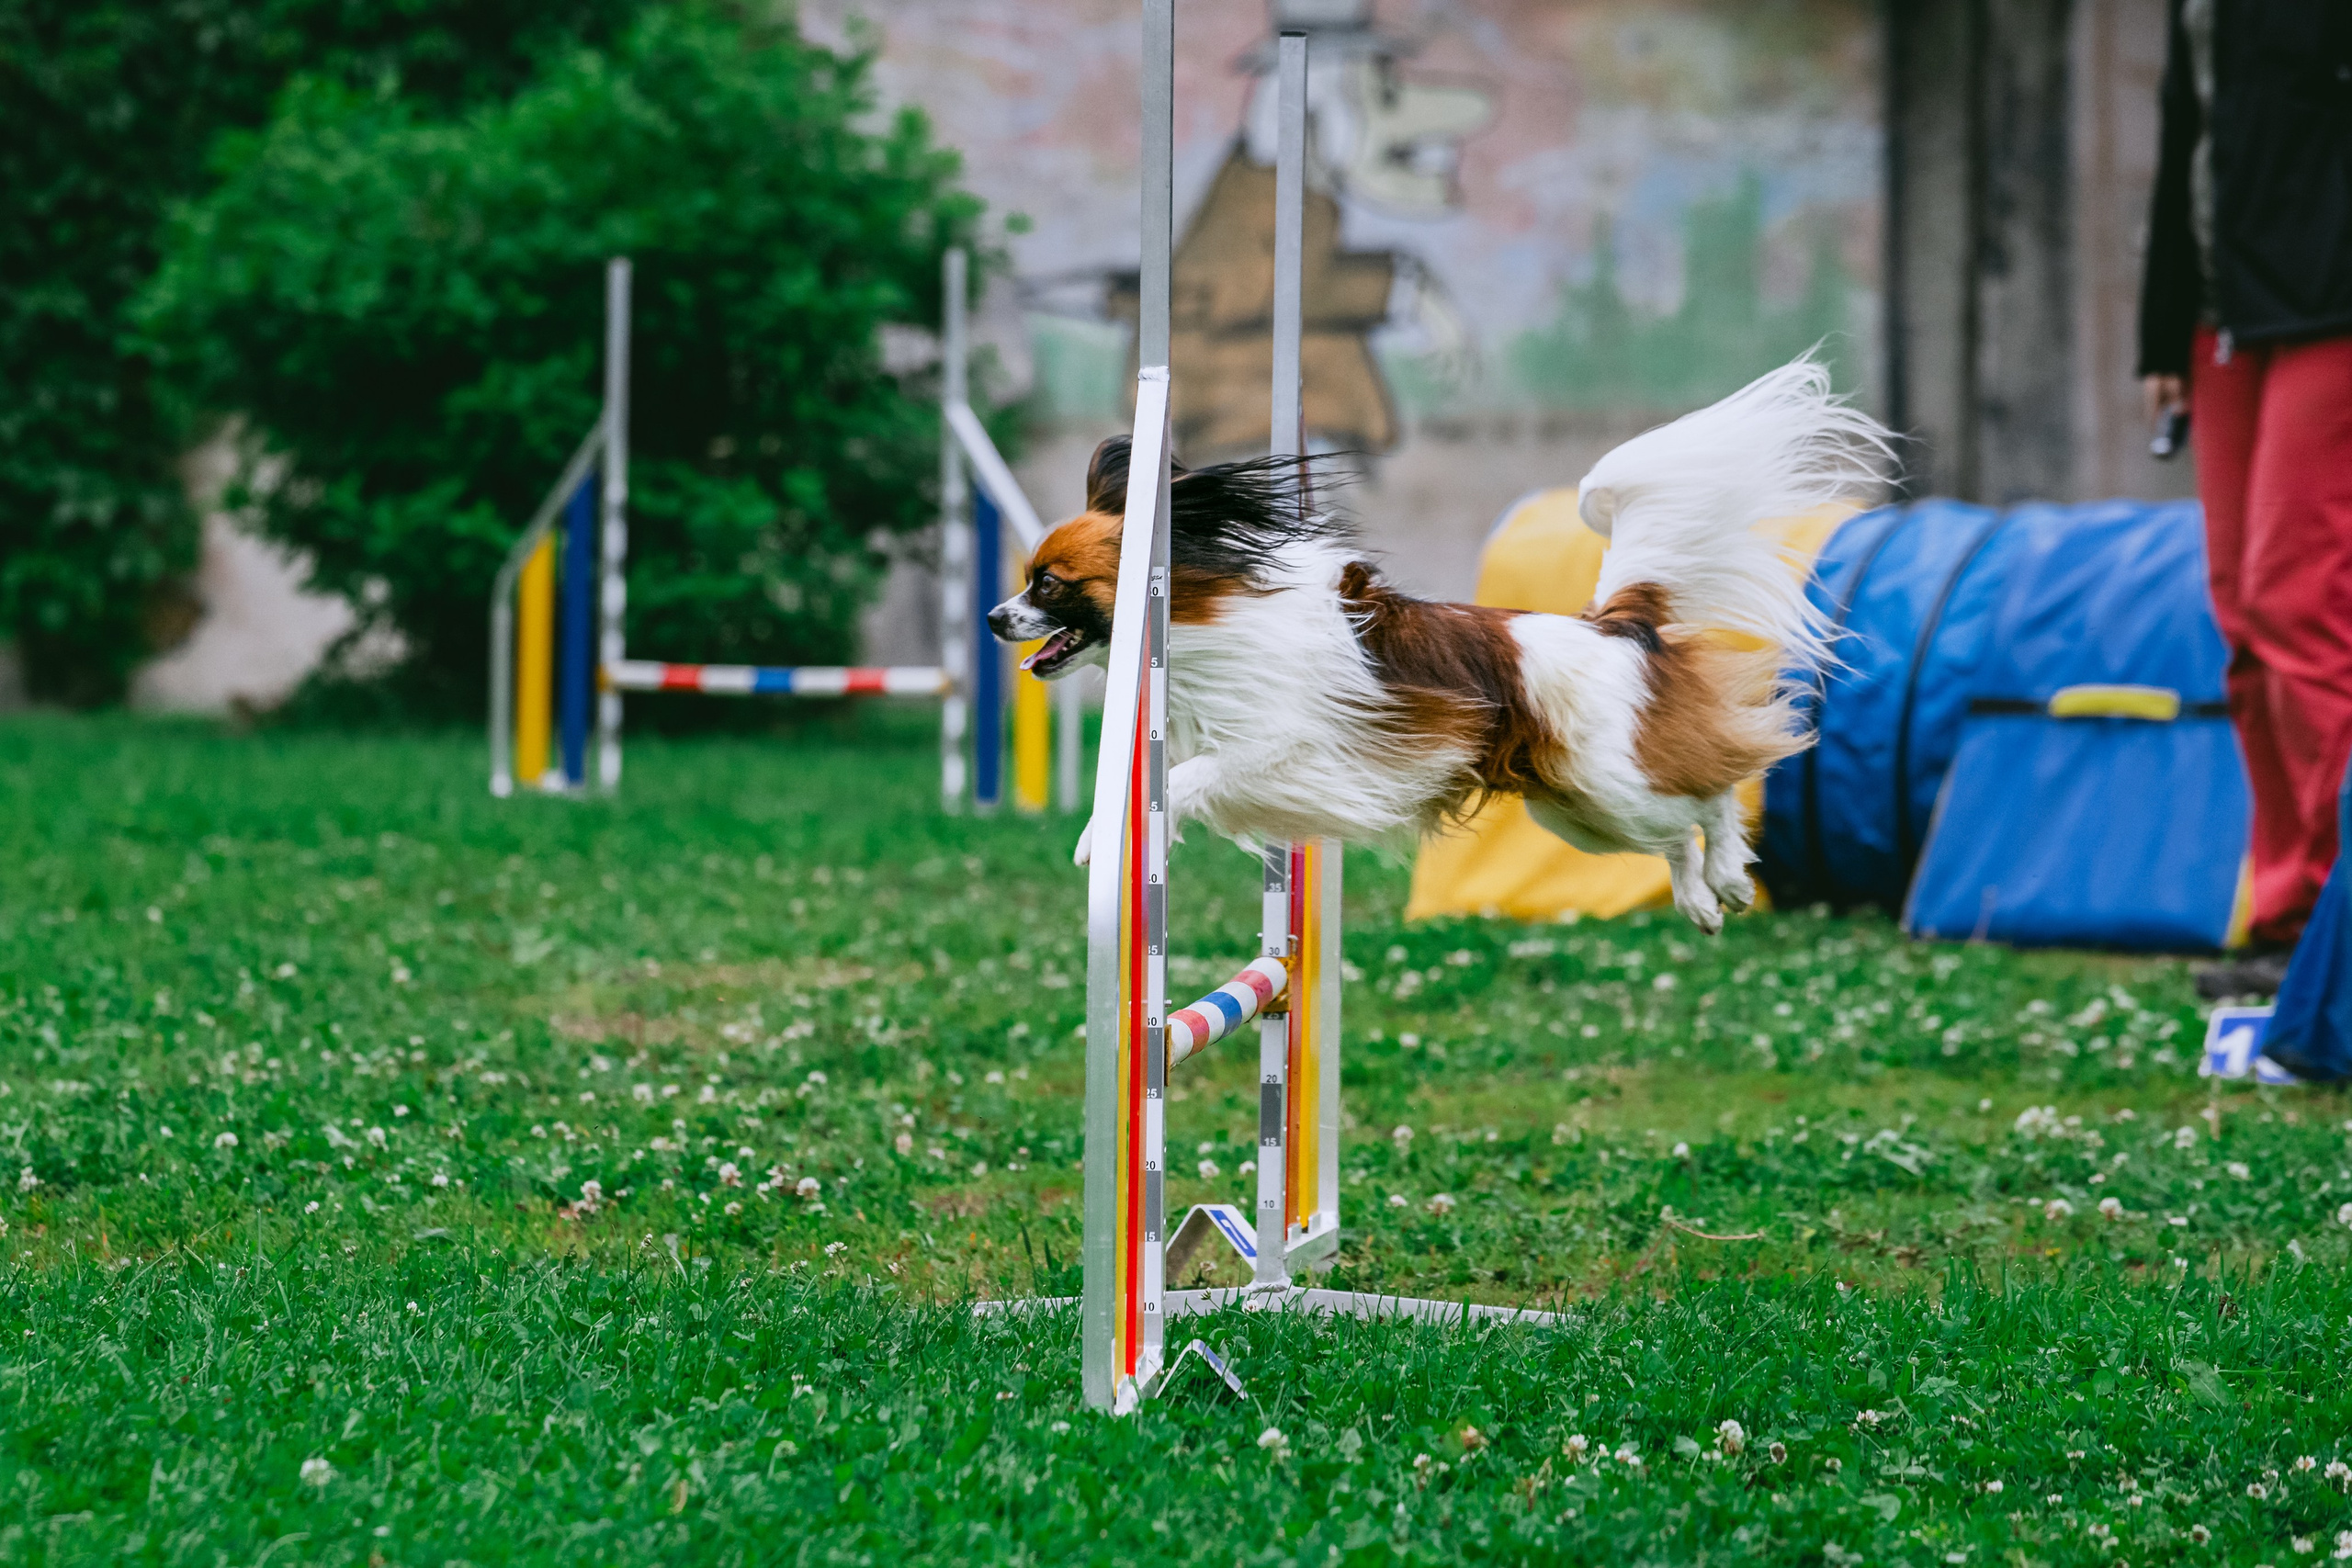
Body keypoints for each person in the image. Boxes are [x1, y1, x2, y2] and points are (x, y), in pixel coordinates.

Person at [2138, 0, 2352, 998]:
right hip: (2224, 319)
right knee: (2240, 615)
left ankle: (2324, 922)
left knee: (2295, 601)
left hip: (2328, 305)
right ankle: (2284, 914)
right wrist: (2162, 328)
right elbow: (2187, 136)